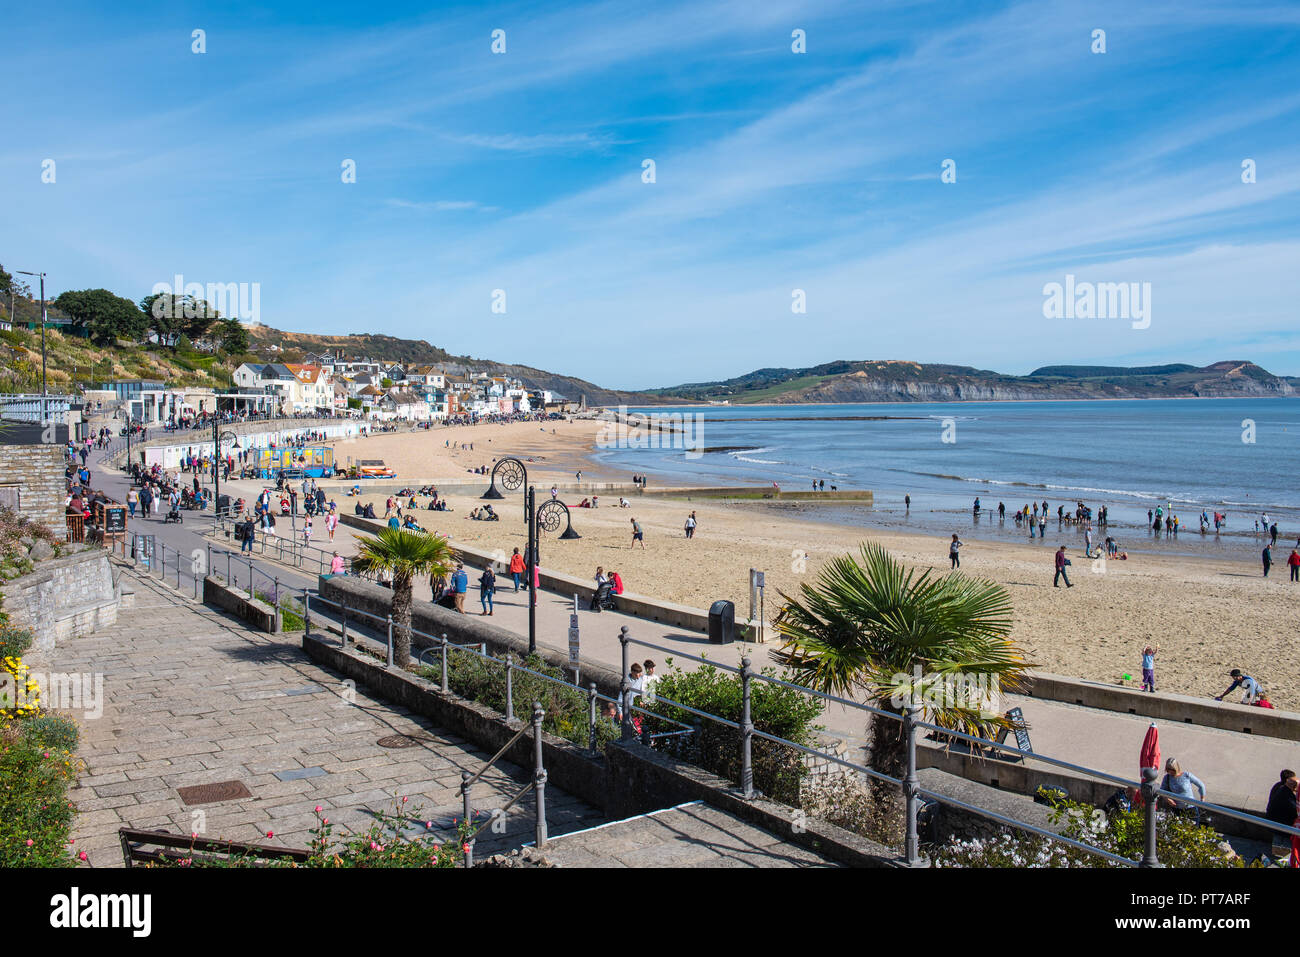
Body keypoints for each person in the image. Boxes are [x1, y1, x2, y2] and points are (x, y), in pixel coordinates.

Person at [1160, 758, 1207, 822]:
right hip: (1177, 809)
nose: (1170, 771)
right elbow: (1162, 791)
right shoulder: (1167, 778)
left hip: (1190, 808)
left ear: (1176, 768)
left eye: (1171, 769)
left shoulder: (1186, 775)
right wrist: (1167, 799)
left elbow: (1201, 785)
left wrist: (1202, 799)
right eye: (1167, 769)